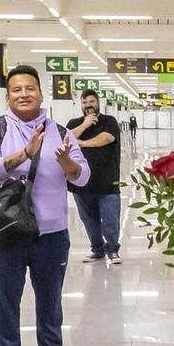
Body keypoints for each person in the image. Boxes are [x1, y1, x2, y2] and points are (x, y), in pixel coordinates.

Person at [0, 66, 87, 346]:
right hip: (7, 229)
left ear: (41, 93)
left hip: (51, 232)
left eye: (30, 89)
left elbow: (84, 176)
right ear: (8, 96)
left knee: (50, 298)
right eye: (17, 90)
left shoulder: (62, 132)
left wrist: (69, 165)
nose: (24, 94)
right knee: (6, 297)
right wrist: (23, 154)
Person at [66, 88, 124, 264]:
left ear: (98, 102)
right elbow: (66, 139)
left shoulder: (109, 121)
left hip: (107, 181)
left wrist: (82, 143)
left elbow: (106, 138)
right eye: (84, 102)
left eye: (91, 102)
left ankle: (112, 250)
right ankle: (97, 250)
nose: (88, 105)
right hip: (81, 184)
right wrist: (84, 124)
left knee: (110, 219)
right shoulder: (74, 123)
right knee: (89, 220)